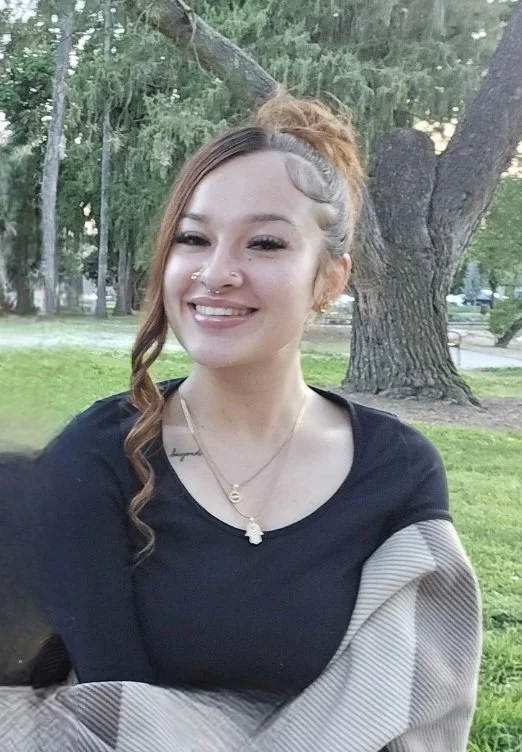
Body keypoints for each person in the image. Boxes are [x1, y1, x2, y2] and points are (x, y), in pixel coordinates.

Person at [14, 92, 481, 751]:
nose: (216, 273)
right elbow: (114, 716)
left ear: (330, 280)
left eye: (264, 243)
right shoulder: (98, 456)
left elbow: (410, 703)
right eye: (193, 239)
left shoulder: (396, 470)